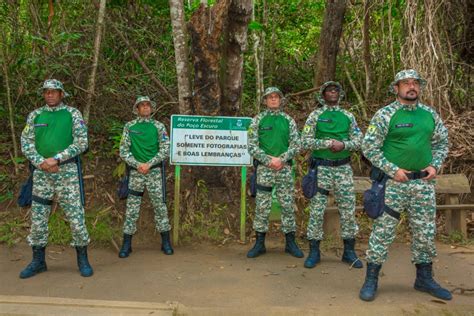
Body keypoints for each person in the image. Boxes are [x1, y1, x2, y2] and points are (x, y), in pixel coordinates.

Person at [359, 69, 451, 301]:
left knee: (424, 232)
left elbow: (442, 142)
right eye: (406, 83)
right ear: (396, 88)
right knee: (383, 232)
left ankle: (424, 279)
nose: (412, 86)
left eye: (415, 83)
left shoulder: (430, 114)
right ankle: (371, 279)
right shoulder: (385, 115)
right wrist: (392, 170)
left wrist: (435, 165)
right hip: (392, 185)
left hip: (423, 184)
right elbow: (368, 147)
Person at [20, 79, 92, 278]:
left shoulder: (72, 114)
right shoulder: (35, 115)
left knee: (76, 217)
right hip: (41, 173)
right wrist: (41, 162)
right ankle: (38, 261)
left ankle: (83, 259)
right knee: (38, 219)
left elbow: (82, 142)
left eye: (54, 92)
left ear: (62, 94)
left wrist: (56, 159)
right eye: (46, 92)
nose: (49, 95)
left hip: (66, 172)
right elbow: (26, 143)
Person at [301, 81, 363, 269]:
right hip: (321, 169)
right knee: (317, 210)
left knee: (348, 209)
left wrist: (343, 145)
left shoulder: (348, 116)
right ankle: (314, 251)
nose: (333, 92)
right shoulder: (316, 116)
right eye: (329, 90)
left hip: (343, 168)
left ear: (340, 94)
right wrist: (328, 143)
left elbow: (359, 140)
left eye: (336, 90)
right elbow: (304, 141)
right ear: (323, 95)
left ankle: (349, 252)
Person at [246, 87, 303, 258]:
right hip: (264, 169)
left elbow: (296, 144)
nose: (273, 100)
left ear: (280, 100)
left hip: (284, 169)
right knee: (262, 205)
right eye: (269, 97)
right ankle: (259, 243)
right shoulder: (257, 120)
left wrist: (282, 159)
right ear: (265, 100)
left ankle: (290, 243)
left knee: (287, 204)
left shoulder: (289, 120)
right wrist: (268, 160)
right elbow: (251, 146)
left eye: (276, 97)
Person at [118, 96, 173, 258]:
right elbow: (123, 150)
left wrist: (149, 164)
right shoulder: (129, 126)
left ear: (151, 108)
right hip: (136, 173)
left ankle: (166, 242)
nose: (146, 108)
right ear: (137, 109)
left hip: (154, 172)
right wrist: (137, 164)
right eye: (142, 106)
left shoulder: (159, 126)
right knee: (132, 208)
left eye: (148, 105)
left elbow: (165, 148)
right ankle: (127, 244)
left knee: (160, 206)